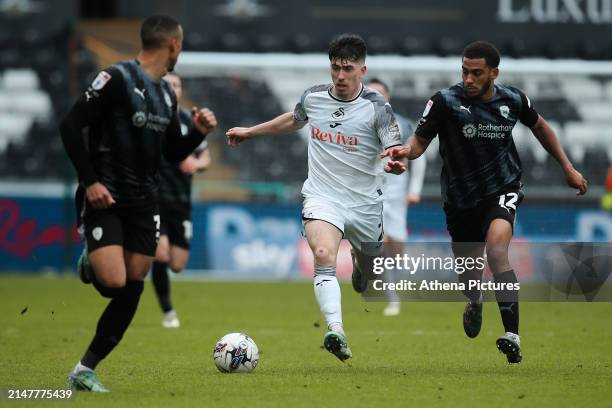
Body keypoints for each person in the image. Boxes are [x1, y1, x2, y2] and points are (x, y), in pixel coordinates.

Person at [383, 41, 588, 363]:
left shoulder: (513, 99)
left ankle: (512, 335)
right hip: (460, 198)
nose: (468, 78)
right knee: (470, 272)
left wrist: (568, 167)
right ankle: (474, 300)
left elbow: (541, 126)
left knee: (496, 250)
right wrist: (404, 153)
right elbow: (419, 143)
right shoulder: (444, 101)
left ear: (494, 73)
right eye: (465, 71)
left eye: (476, 73)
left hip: (502, 189)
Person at [60, 15, 217, 391]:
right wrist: (91, 180)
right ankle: (91, 261)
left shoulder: (167, 94)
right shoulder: (115, 79)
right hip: (107, 195)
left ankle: (84, 368)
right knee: (114, 283)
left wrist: (197, 133)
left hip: (147, 202)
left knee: (133, 285)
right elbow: (70, 125)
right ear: (174, 45)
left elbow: (171, 152)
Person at [226, 33, 403, 361]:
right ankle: (336, 330)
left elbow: (396, 148)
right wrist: (250, 132)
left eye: (347, 69)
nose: (339, 76)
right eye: (335, 68)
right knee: (323, 255)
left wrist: (395, 160)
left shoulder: (379, 108)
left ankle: (362, 268)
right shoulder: (314, 97)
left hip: (365, 204)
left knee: (371, 274)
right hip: (323, 196)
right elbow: (293, 121)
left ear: (362, 70)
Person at [152, 72, 211, 329]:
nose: (173, 88)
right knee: (160, 254)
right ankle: (168, 312)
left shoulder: (189, 119)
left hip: (181, 201)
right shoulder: (151, 118)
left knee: (177, 264)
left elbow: (205, 158)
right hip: (153, 198)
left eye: (176, 85)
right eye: (168, 85)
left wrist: (196, 163)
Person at [367, 77, 426, 317]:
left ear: (387, 97)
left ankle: (395, 288)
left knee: (397, 250)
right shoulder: (355, 123)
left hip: (396, 195)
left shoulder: (402, 124)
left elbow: (418, 157)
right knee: (380, 244)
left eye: (379, 93)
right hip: (369, 193)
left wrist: (414, 190)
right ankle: (392, 298)